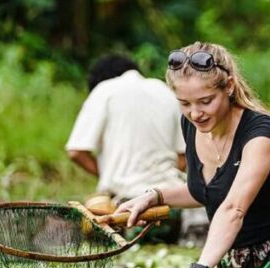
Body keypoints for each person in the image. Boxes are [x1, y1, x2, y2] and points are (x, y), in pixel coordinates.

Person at [114, 42, 270, 268]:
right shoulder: (192, 126)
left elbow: (233, 207)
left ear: (229, 86)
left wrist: (201, 266)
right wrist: (154, 195)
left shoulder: (261, 133)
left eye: (205, 101)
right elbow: (204, 192)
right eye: (184, 103)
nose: (195, 113)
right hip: (232, 262)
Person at [65, 54, 186, 243]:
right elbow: (184, 158)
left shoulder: (105, 90)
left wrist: (110, 175)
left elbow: (76, 151)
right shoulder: (166, 92)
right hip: (167, 208)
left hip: (125, 211)